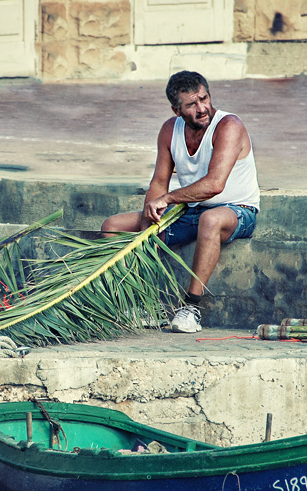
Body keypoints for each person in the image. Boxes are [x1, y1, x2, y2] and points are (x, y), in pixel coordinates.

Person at [102, 71, 259, 333]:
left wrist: (168, 198)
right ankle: (141, 304)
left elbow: (214, 185)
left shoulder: (229, 126)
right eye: (191, 105)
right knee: (112, 225)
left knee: (210, 219)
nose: (202, 108)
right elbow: (158, 183)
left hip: (237, 211)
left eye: (204, 98)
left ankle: (191, 308)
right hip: (191, 210)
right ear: (177, 110)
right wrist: (148, 223)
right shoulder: (169, 130)